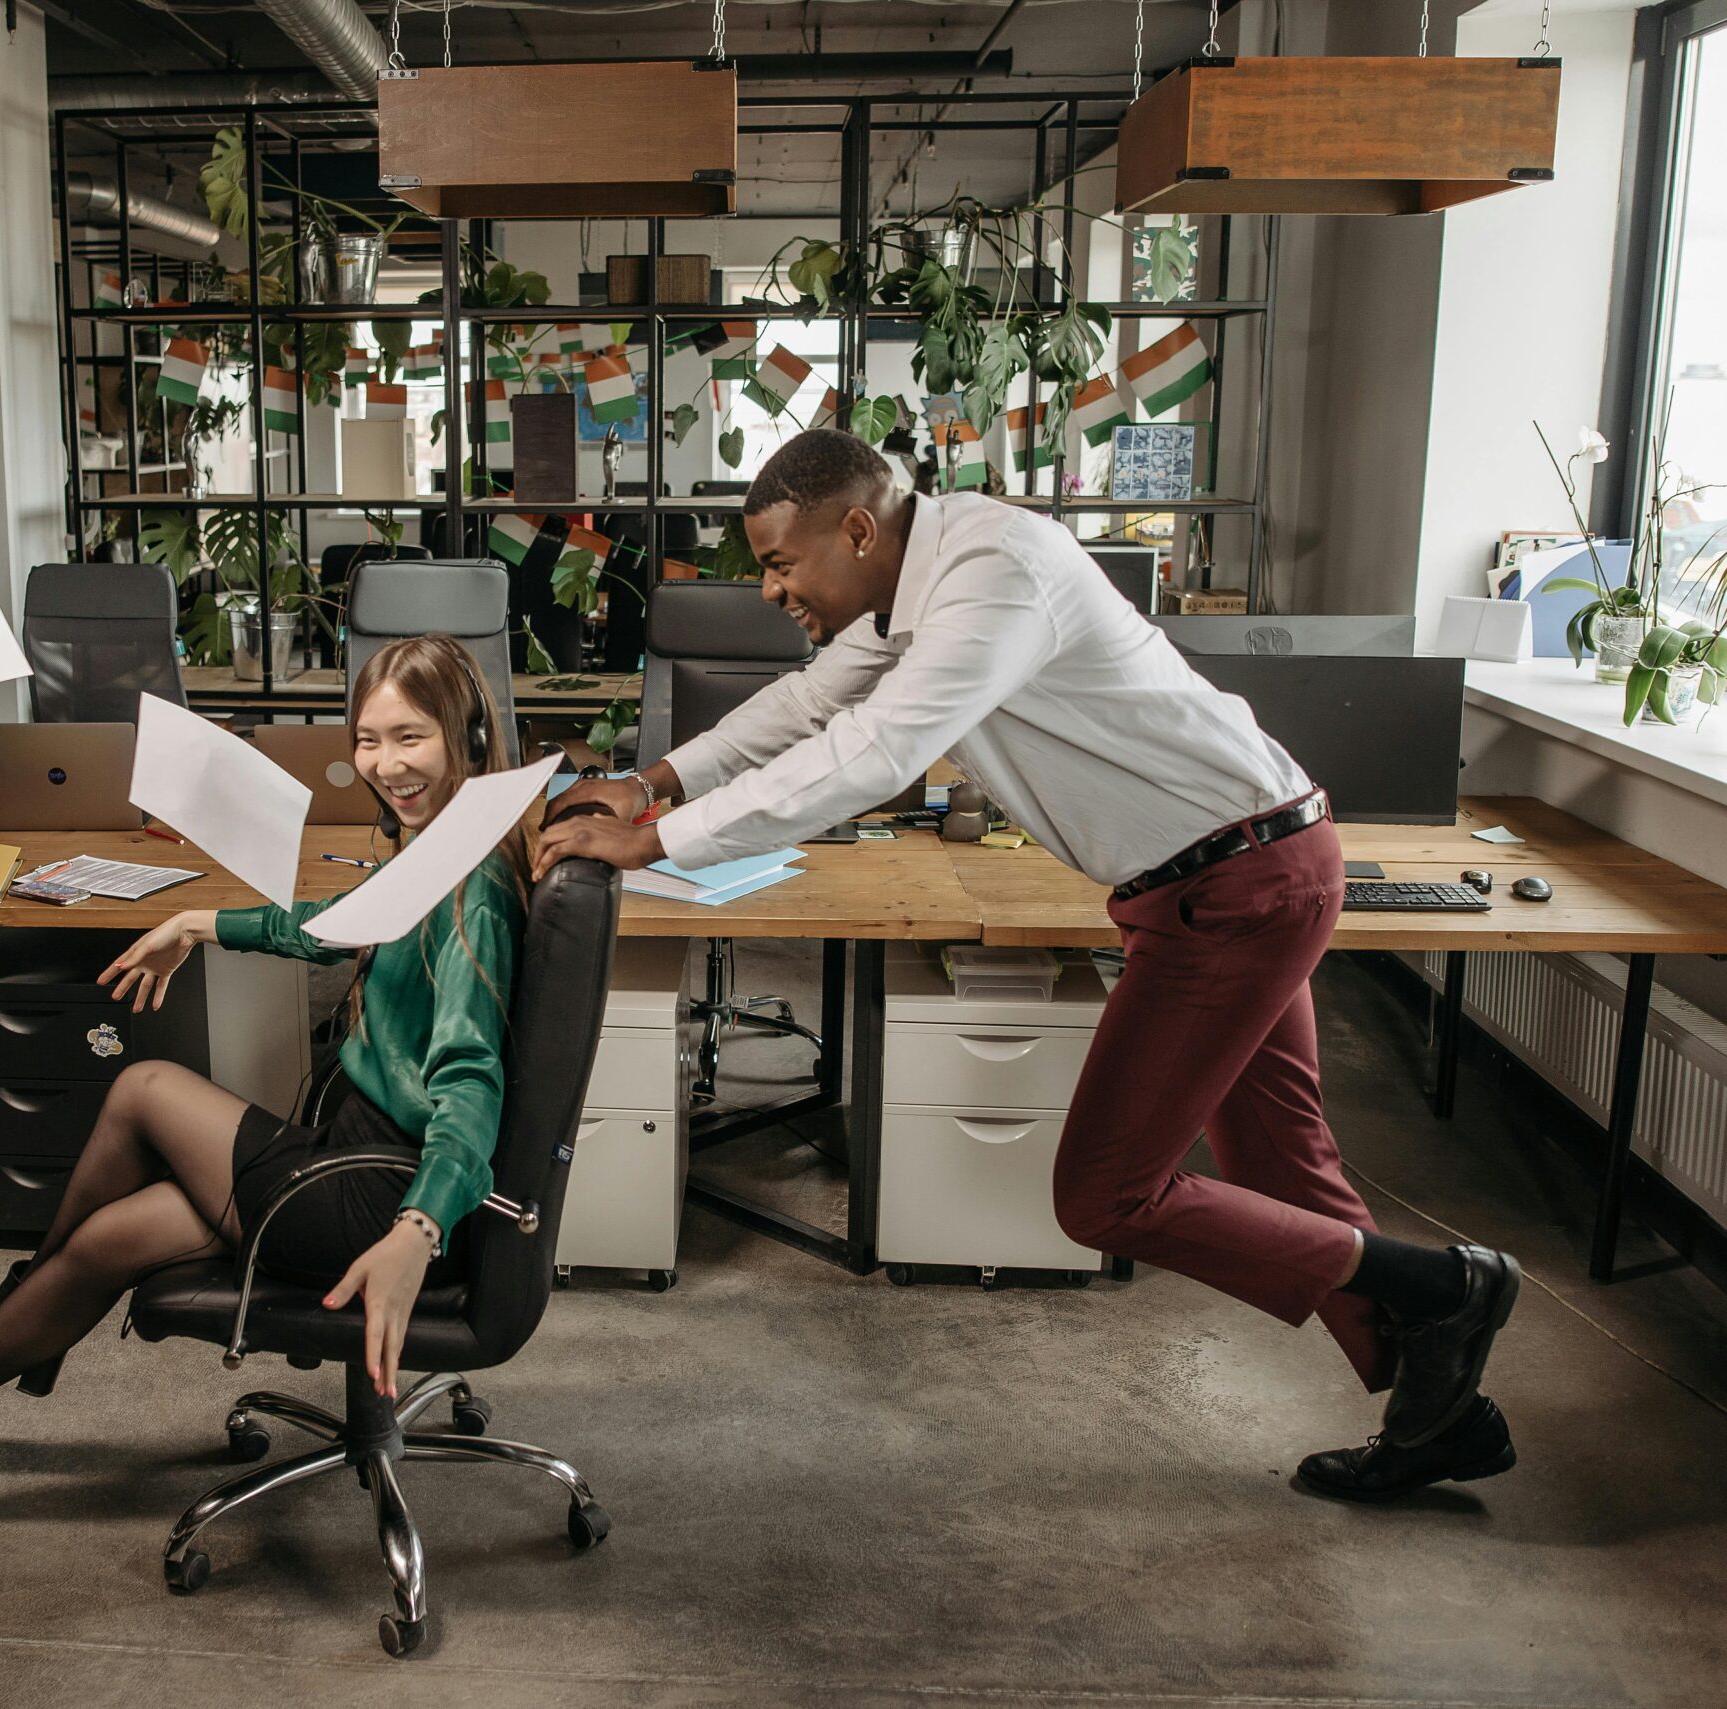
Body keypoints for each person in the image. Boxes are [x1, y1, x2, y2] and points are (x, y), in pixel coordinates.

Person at [538, 428, 1522, 1502]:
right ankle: (1434, 1410)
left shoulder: (992, 575)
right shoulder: (918, 583)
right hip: (1221, 876)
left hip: (1236, 889)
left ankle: (1448, 1286)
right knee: (1282, 1167)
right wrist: (656, 783)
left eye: (779, 562)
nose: (769, 587)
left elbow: (872, 752)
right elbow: (811, 703)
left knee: (1105, 1193)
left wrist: (657, 842)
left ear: (857, 527)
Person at [0, 634, 530, 1502]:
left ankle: (9, 1324)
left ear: (464, 732)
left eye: (409, 736)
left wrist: (415, 1232)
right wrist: (201, 921)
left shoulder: (474, 892)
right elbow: (339, 919)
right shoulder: (441, 852)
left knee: (142, 1087)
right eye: (367, 738)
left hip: (371, 1197)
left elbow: (472, 1084)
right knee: (107, 1239)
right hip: (343, 1158)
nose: (385, 763)